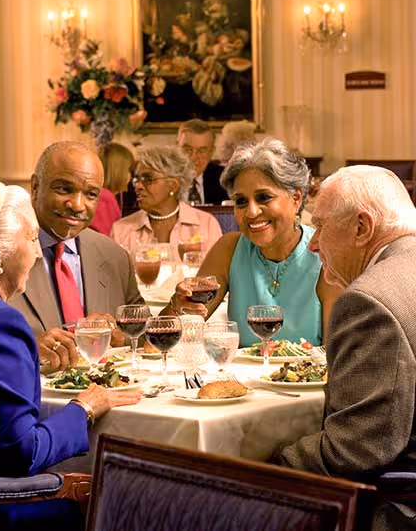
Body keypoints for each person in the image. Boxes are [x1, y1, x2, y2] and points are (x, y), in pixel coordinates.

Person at [0, 176, 141, 528]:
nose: (35, 251)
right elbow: (22, 452)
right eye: (31, 238)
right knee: (131, 497)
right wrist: (85, 408)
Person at [274, 165, 416, 531]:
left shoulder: (370, 300)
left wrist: (262, 466)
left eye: (320, 226)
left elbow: (359, 449)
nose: (313, 243)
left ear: (361, 228)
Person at [166, 138, 339, 346]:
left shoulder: (324, 254)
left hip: (309, 377)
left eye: (264, 197)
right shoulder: (229, 249)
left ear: (296, 199)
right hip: (239, 378)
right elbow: (175, 335)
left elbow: (336, 355)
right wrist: (178, 306)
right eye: (241, 201)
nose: (252, 212)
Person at [10, 141, 144, 372]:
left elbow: (142, 333)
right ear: (35, 186)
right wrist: (30, 350)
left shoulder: (113, 256)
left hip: (106, 397)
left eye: (91, 194)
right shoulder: (0, 253)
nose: (77, 205)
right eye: (64, 189)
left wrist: (121, 336)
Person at [111, 144, 222, 258]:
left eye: (148, 179)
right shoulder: (121, 230)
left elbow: (215, 273)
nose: (138, 186)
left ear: (173, 185)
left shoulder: (206, 225)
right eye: (137, 179)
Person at [177, 118, 228, 204]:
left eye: (201, 151)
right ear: (177, 147)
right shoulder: (163, 179)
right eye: (188, 149)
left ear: (211, 152)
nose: (193, 157)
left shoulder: (224, 179)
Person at [90, 142, 136, 236]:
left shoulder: (99, 194)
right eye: (129, 170)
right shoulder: (104, 198)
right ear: (118, 171)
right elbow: (107, 238)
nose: (130, 177)